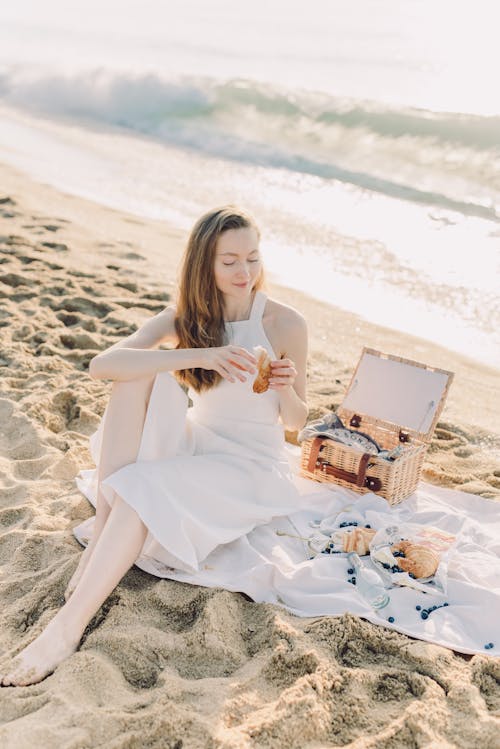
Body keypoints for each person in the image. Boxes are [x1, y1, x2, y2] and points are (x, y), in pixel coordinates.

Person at [0, 205, 309, 687]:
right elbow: (102, 365)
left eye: (251, 257)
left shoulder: (286, 323)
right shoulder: (188, 317)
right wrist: (203, 353)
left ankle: (67, 628)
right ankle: (104, 532)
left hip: (250, 465)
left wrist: (284, 389)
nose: (244, 272)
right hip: (197, 440)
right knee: (136, 373)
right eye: (229, 261)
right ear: (203, 263)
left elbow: (297, 424)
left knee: (142, 486)